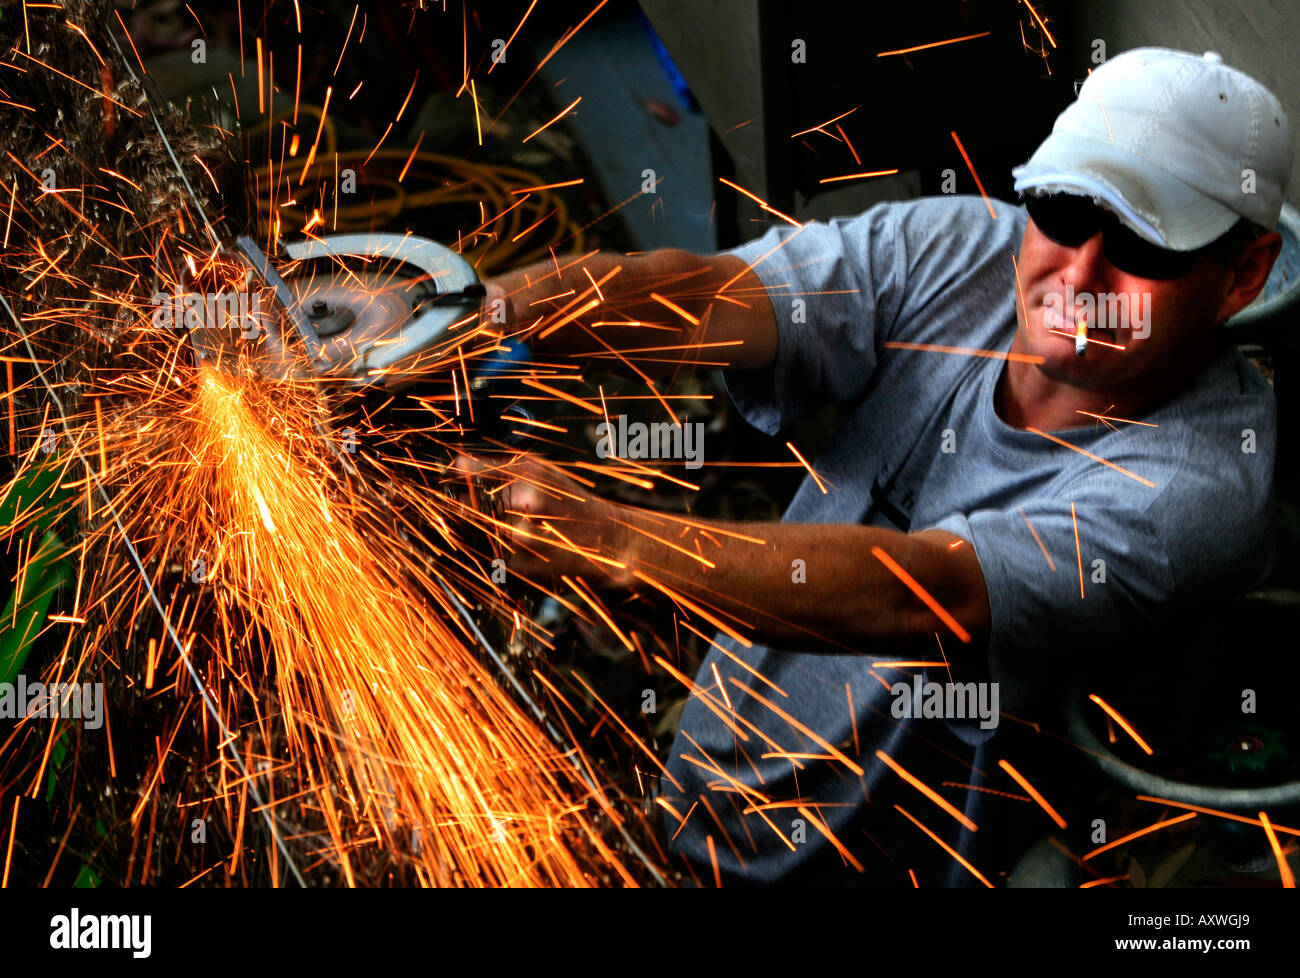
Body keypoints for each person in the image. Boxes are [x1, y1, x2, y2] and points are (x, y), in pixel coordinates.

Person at [473, 47, 1291, 885]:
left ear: (1242, 275)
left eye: (1146, 249)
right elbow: (708, 301)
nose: (1079, 272)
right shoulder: (966, 250)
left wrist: (619, 543)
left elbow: (921, 594)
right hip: (701, 798)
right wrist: (475, 320)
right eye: (1062, 208)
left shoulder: (1205, 482)